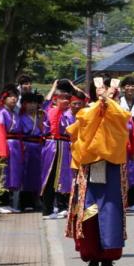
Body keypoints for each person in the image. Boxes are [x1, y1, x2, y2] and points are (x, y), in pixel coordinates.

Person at [66, 79, 134, 266]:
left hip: (112, 168)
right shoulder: (86, 111)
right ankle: (91, 259)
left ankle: (108, 259)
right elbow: (83, 131)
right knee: (90, 214)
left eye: (106, 89)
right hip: (89, 168)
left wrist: (108, 101)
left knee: (112, 213)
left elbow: (123, 120)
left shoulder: (118, 111)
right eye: (100, 89)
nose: (103, 92)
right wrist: (101, 102)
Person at [39, 82, 78, 219]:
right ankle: (47, 210)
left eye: (68, 98)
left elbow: (84, 99)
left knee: (64, 177)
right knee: (50, 177)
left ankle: (62, 206)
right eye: (63, 98)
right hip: (53, 146)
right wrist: (54, 87)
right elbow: (46, 102)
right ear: (56, 99)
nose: (66, 100)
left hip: (65, 146)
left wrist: (73, 86)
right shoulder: (50, 110)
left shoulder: (68, 114)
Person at [0, 88, 21, 213]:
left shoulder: (14, 113)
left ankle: (8, 202)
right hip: (4, 146)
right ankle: (1, 203)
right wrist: (0, 151)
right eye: (11, 96)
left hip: (14, 147)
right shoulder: (0, 114)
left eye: (16, 96)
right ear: (4, 98)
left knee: (11, 175)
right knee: (3, 174)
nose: (14, 99)